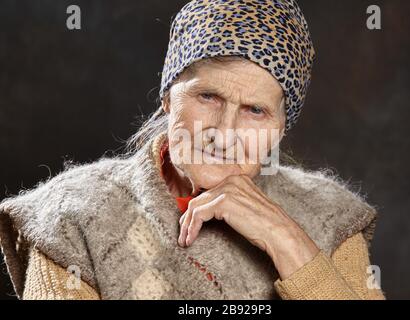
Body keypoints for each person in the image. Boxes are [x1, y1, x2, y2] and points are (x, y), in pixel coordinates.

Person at [0, 0, 384, 300]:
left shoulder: (329, 217)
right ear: (168, 97)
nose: (224, 132)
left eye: (255, 110)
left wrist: (288, 241)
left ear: (281, 127)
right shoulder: (72, 216)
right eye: (208, 96)